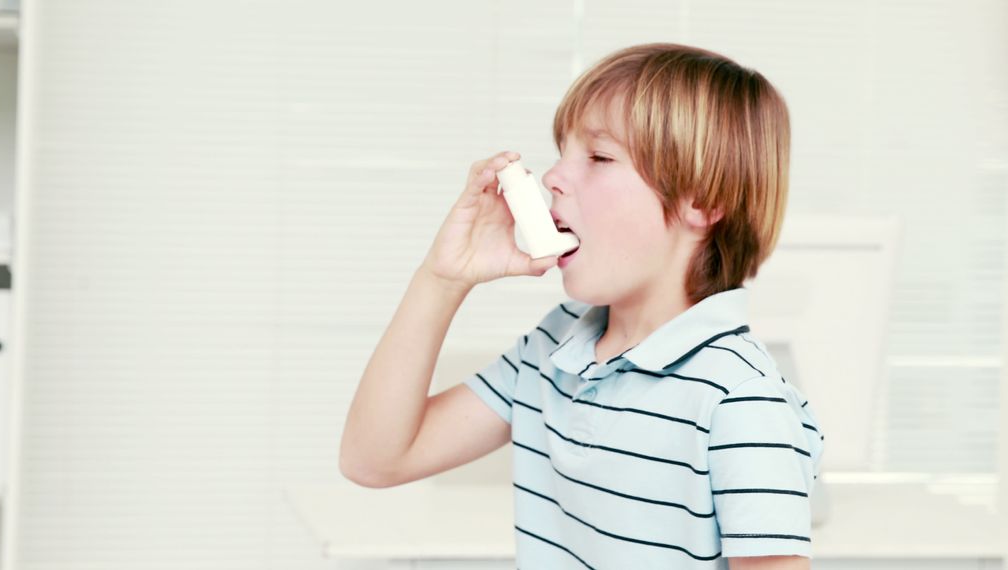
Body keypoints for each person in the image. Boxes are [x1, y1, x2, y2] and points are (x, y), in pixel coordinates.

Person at [340, 43, 824, 570]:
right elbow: (375, 460)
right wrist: (442, 278)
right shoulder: (556, 346)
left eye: (598, 157)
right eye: (562, 151)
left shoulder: (740, 400)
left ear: (703, 201)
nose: (552, 177)